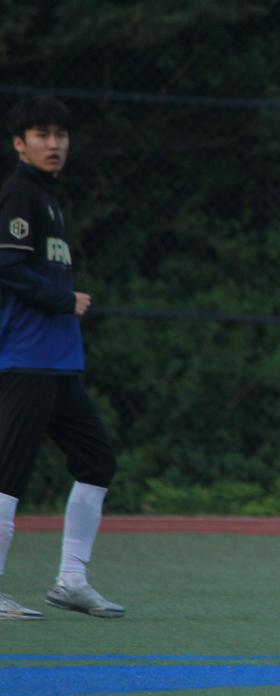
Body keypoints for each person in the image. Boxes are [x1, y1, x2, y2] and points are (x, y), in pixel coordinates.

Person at [0, 95, 122, 620]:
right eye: (41, 134)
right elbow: (7, 267)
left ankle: (71, 580)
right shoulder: (19, 193)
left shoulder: (48, 197)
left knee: (97, 460)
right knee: (8, 475)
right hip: (25, 358)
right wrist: (63, 299)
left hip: (56, 361)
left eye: (61, 135)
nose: (54, 144)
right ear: (19, 143)